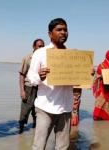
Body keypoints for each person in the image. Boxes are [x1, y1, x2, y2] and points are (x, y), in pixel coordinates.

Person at [27, 18, 73, 150]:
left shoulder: (72, 56)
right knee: (38, 146)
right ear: (50, 34)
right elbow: (31, 77)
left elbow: (77, 80)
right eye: (59, 30)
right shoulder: (40, 53)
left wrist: (87, 76)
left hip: (65, 109)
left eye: (65, 29)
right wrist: (40, 76)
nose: (63, 32)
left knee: (63, 147)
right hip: (45, 108)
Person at [18, 38, 45, 134]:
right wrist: (22, 91)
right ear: (34, 47)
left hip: (41, 88)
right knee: (25, 111)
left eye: (43, 46)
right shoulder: (27, 58)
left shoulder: (45, 59)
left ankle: (35, 131)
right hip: (29, 88)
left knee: (37, 112)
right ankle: (20, 131)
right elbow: (22, 75)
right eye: (39, 46)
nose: (41, 48)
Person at [92, 49, 109, 120]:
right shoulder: (102, 65)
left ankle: (108, 117)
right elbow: (97, 76)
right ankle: (98, 118)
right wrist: (101, 76)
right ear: (107, 55)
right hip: (103, 88)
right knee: (100, 103)